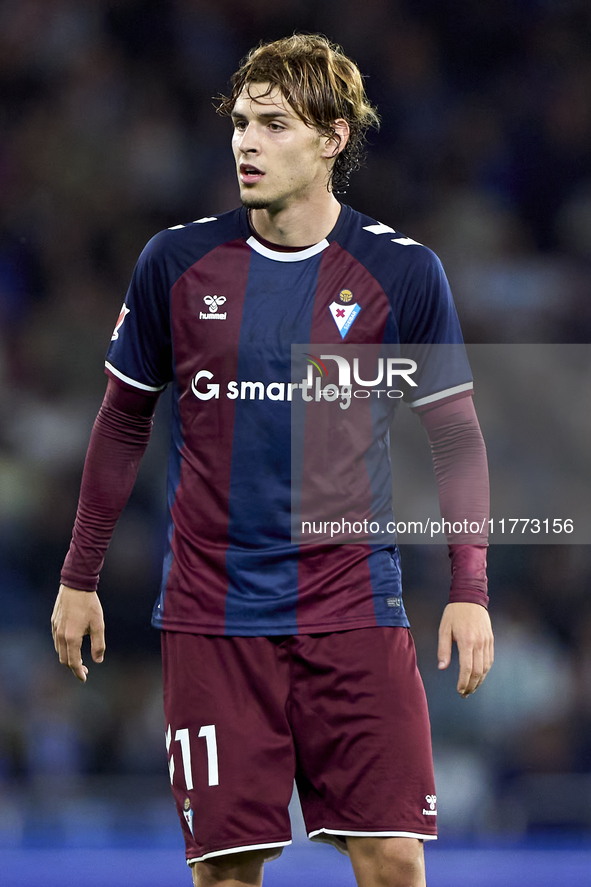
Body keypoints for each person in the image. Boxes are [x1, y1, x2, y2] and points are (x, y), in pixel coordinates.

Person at [51, 34, 494, 887]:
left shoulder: (400, 272)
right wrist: (80, 574)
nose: (246, 143)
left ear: (331, 138)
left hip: (355, 606)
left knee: (394, 860)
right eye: (242, 123)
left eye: (274, 125)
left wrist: (469, 591)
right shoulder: (175, 264)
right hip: (212, 617)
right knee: (226, 872)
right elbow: (120, 424)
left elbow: (456, 435)